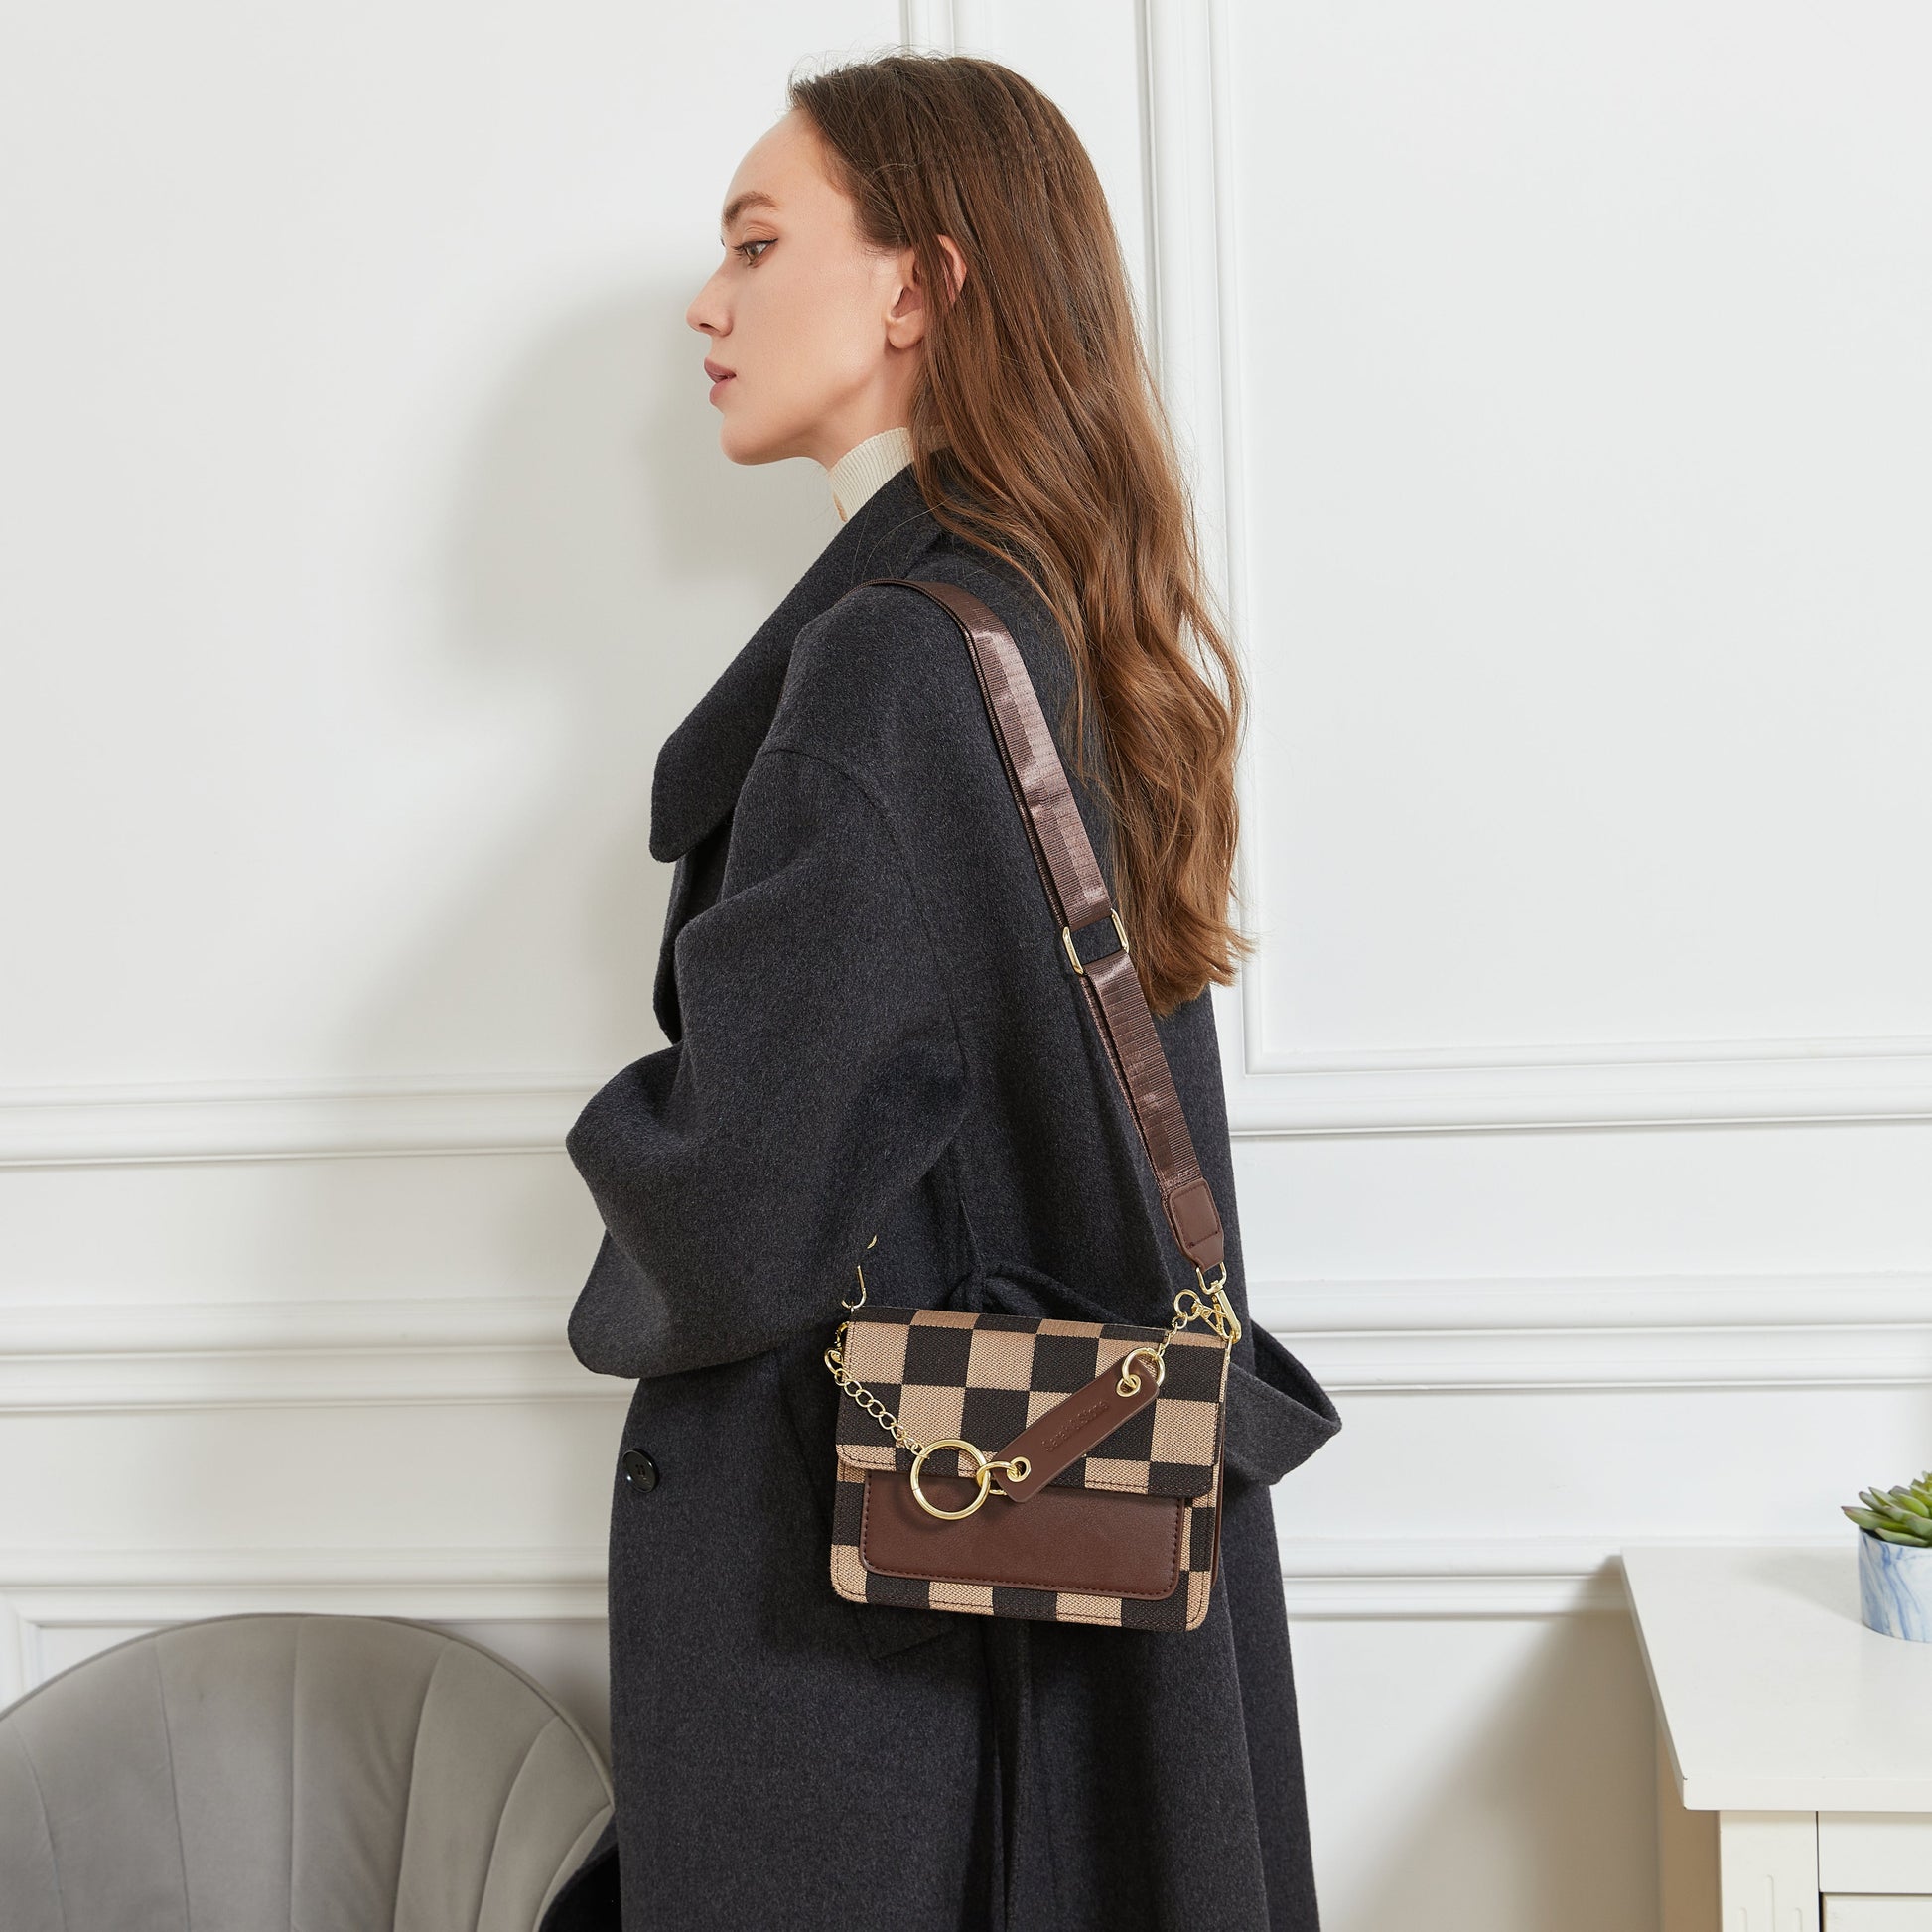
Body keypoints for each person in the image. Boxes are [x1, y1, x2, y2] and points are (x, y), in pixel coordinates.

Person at [539, 50, 1343, 1932]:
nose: (705, 303)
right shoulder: (1058, 616)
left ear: (919, 286)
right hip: (1022, 1592)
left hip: (879, 1649)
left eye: (757, 243)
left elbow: (739, 1205)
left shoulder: (892, 666)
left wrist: (618, 1134)